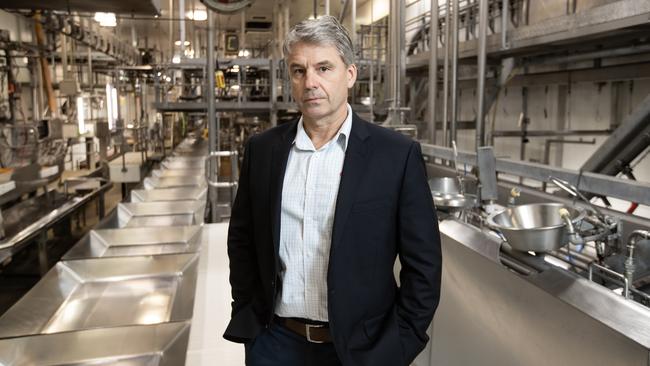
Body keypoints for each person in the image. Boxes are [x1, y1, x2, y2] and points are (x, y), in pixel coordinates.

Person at [224, 15, 442, 366]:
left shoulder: (395, 155)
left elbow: (424, 264)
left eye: (324, 68)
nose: (310, 82)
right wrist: (249, 313)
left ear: (350, 75)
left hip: (361, 350)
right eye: (299, 70)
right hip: (275, 342)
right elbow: (242, 240)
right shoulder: (263, 150)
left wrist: (400, 344)